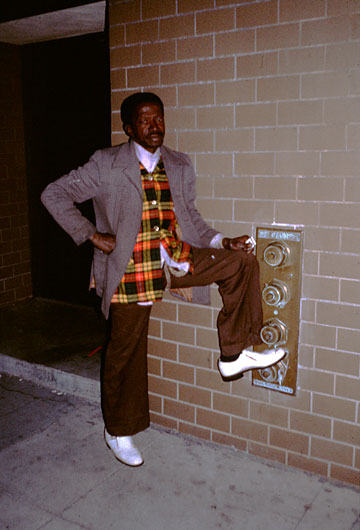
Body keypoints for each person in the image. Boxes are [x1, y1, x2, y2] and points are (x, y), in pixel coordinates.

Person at [41, 92, 285, 467]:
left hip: (175, 260)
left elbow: (191, 218)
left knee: (242, 262)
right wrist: (92, 234)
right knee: (125, 353)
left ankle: (235, 353)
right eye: (145, 120)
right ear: (128, 127)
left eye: (159, 119)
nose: (155, 127)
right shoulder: (105, 164)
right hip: (130, 269)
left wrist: (223, 241)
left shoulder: (179, 164)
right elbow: (54, 194)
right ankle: (118, 430)